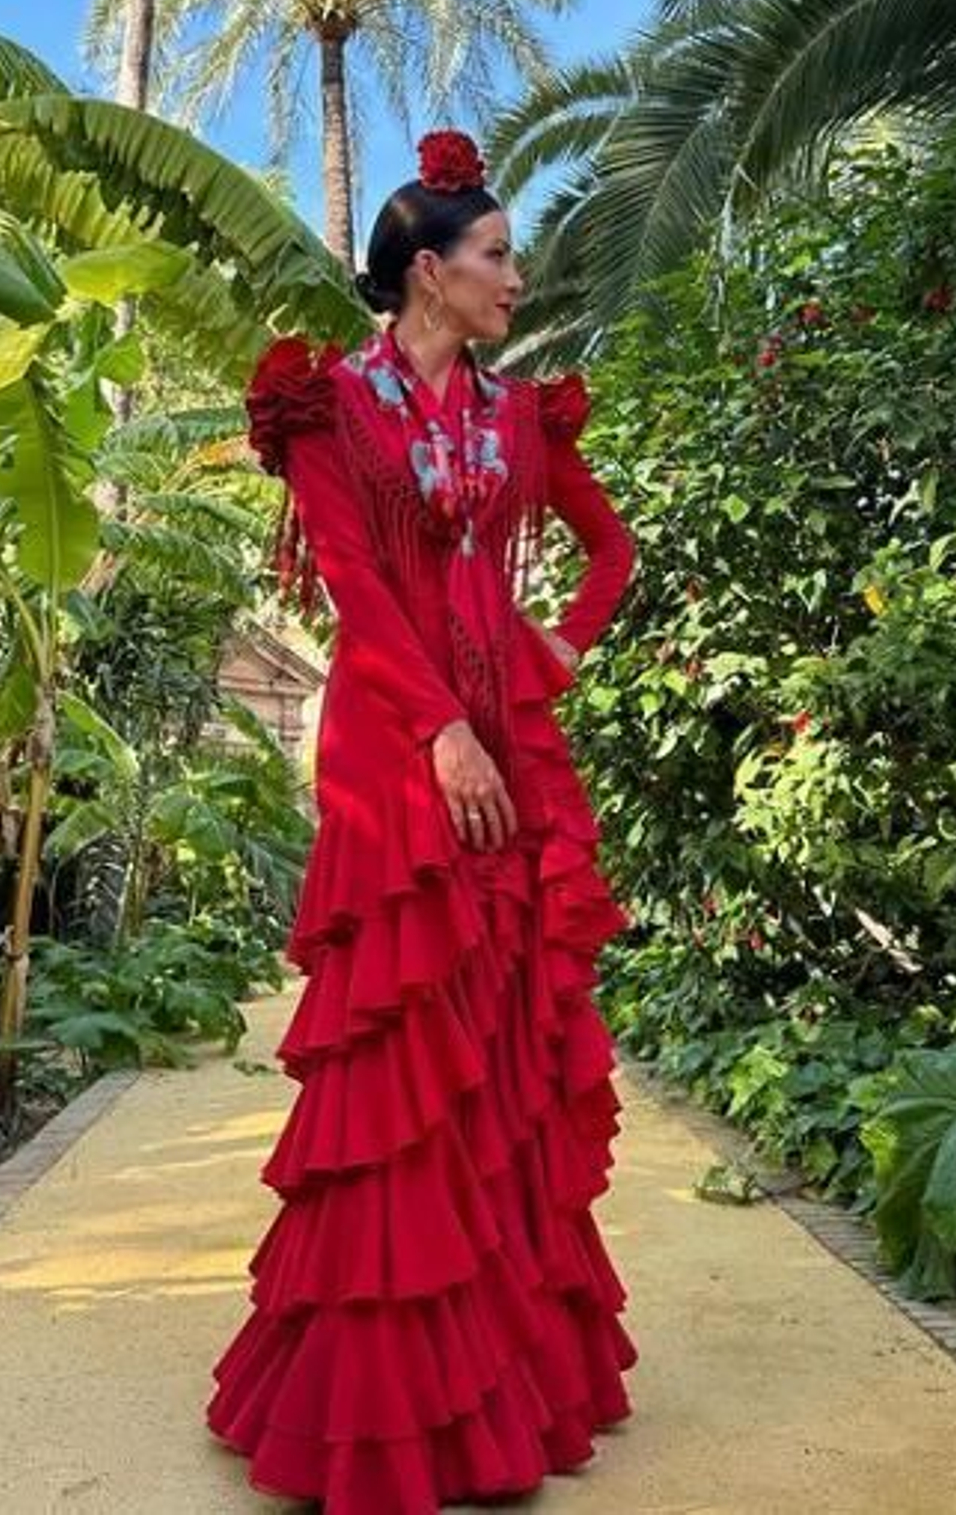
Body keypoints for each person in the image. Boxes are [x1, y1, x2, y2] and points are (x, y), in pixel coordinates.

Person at [205, 128, 639, 1513]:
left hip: (510, 736)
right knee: (403, 1056)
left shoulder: (520, 419)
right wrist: (442, 726)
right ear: (428, 271)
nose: (517, 277)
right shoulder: (329, 404)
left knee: (503, 1044)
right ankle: (383, 1405)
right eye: (498, 255)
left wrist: (558, 642)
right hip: (394, 746)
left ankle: (512, 1375)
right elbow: (352, 581)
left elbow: (611, 548)